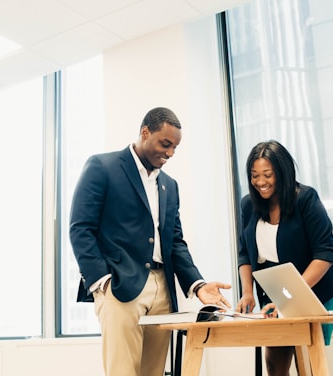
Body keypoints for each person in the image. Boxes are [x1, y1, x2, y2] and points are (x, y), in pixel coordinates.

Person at [69, 107, 232, 376]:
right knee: (123, 371)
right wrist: (102, 282)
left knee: (153, 372)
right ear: (145, 132)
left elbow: (175, 242)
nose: (169, 153)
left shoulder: (170, 184)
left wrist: (198, 285)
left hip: (163, 288)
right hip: (120, 286)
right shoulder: (103, 167)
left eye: (175, 148)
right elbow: (80, 228)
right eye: (165, 144)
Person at [235, 140, 333, 376]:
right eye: (254, 176)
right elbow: (245, 253)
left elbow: (325, 253)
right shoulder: (248, 205)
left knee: (308, 361)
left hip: (312, 288)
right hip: (274, 290)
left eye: (267, 175)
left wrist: (292, 296)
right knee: (275, 361)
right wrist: (247, 292)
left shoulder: (305, 199)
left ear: (282, 173)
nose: (260, 182)